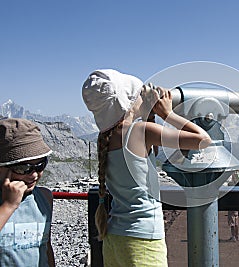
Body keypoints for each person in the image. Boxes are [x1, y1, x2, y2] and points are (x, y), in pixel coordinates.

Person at [82, 69, 211, 266]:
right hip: (143, 239)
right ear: (128, 101)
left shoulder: (106, 138)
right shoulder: (140, 132)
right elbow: (203, 140)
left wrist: (149, 113)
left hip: (115, 237)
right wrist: (167, 114)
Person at [0, 118, 55, 266]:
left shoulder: (44, 197)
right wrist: (8, 205)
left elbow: (45, 246)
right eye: (23, 168)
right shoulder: (5, 205)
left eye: (40, 165)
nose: (34, 175)